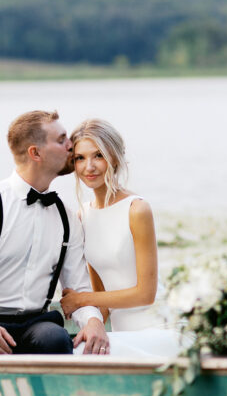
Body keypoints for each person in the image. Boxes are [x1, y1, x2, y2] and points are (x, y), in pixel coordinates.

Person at [0, 110, 110, 356]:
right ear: (35, 153)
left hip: (37, 325)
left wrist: (93, 320)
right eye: (61, 140)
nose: (71, 146)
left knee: (55, 339)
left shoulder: (66, 217)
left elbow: (79, 289)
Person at [60, 118, 181, 359]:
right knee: (76, 349)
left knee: (84, 354)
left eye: (98, 156)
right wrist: (91, 326)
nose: (89, 167)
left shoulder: (136, 209)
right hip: (122, 332)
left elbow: (145, 293)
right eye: (80, 158)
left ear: (113, 158)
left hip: (158, 328)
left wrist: (81, 299)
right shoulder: (83, 216)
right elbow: (101, 294)